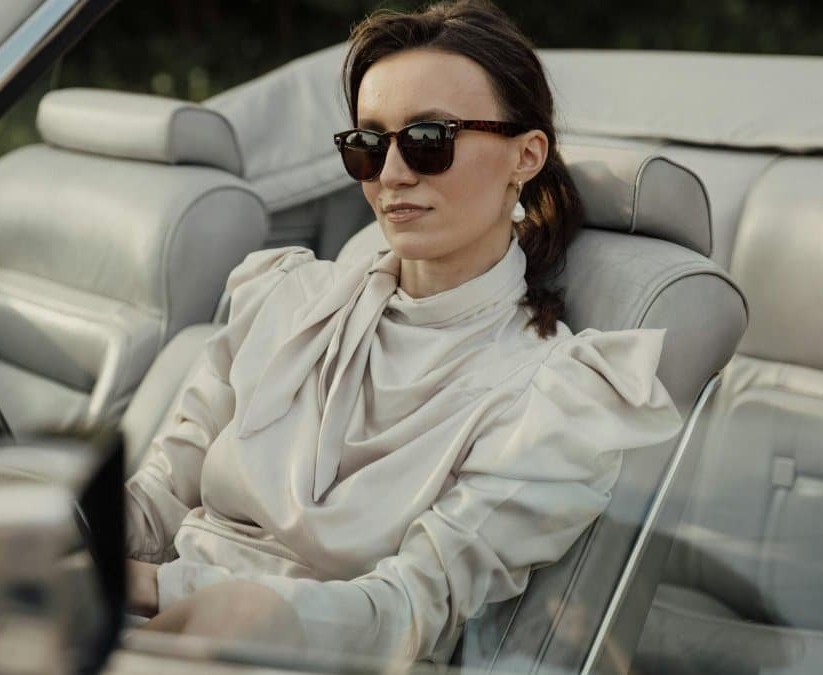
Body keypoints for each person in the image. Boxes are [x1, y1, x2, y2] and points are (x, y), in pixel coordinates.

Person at [124, 0, 681, 662]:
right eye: (367, 145)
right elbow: (154, 505)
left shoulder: (555, 401)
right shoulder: (277, 297)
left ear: (526, 155)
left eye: (428, 140)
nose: (390, 175)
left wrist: (177, 589)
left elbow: (407, 610)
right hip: (141, 625)